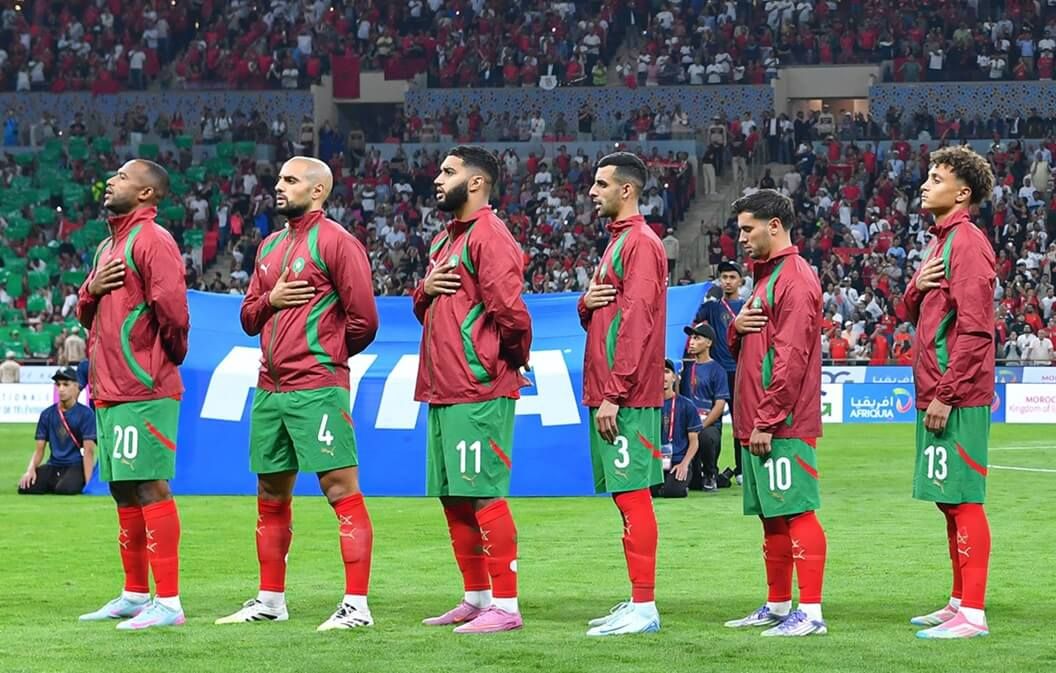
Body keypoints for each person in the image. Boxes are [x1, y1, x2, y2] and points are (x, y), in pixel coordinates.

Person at [217, 157, 379, 631]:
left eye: (290, 180)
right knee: (270, 492)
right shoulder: (268, 245)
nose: (279, 185)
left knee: (340, 490)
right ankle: (270, 600)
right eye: (280, 178)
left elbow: (365, 320)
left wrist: (323, 355)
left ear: (318, 191)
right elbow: (248, 318)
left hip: (317, 388)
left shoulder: (338, 243)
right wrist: (272, 300)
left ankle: (357, 607)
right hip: (269, 388)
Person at [412, 146, 532, 634]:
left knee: (482, 494)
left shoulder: (489, 236)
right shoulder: (446, 240)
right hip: (443, 386)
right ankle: (477, 596)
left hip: (477, 386)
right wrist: (425, 289)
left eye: (448, 171)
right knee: (454, 496)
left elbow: (511, 314)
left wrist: (502, 363)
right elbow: (427, 306)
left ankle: (506, 604)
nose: (437, 179)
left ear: (477, 182)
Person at [76, 159, 190, 630]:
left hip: (143, 386)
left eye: (123, 176)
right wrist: (90, 287)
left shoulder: (152, 239)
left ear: (148, 194)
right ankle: (134, 593)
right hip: (109, 386)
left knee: (149, 486)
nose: (111, 180)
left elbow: (173, 313)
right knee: (123, 490)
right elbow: (88, 311)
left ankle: (169, 602)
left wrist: (160, 362)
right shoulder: (109, 244)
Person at [724, 189, 828, 637]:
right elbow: (752, 346)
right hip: (758, 420)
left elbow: (791, 357)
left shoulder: (796, 278)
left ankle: (812, 613)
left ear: (774, 225)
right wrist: (733, 327)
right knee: (772, 516)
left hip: (782, 423)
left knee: (798, 511)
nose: (740, 238)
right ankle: (779, 604)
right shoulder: (767, 279)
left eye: (747, 229)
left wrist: (767, 419)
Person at [903, 146, 996, 639]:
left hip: (956, 395)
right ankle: (959, 601)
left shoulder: (967, 244)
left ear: (962, 193)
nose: (924, 184)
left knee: (964, 501)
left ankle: (973, 616)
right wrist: (918, 285)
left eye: (935, 178)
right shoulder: (940, 244)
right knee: (947, 501)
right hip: (937, 389)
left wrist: (947, 393)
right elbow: (910, 310)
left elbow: (978, 331)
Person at [579, 152, 667, 636]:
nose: (593, 192)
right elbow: (605, 312)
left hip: (626, 395)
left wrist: (615, 392)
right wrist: (583, 303)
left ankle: (646, 606)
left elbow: (637, 321)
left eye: (600, 183)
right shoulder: (618, 243)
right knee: (624, 496)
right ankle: (637, 598)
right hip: (612, 390)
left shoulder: (640, 244)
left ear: (626, 190)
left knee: (634, 496)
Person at [694, 261, 745, 481]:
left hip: (741, 371)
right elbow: (693, 316)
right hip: (716, 370)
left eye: (732, 277)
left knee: (741, 421)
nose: (727, 281)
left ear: (740, 281)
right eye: (724, 277)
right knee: (712, 421)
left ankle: (742, 468)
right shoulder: (713, 307)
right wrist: (704, 293)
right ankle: (710, 470)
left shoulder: (747, 307)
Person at [18, 367, 96, 495]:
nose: (61, 389)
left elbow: (89, 451)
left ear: (76, 387)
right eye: (58, 384)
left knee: (65, 489)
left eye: (66, 384)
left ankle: (67, 481)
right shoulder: (47, 414)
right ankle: (57, 482)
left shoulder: (86, 414)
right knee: (25, 488)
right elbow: (39, 450)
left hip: (75, 464)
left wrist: (89, 485)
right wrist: (30, 470)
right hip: (54, 464)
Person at [680, 322, 729, 491]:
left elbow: (720, 404)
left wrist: (701, 426)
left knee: (707, 437)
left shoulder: (718, 370)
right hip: (686, 424)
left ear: (708, 343)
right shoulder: (684, 368)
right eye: (690, 338)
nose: (691, 342)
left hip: (707, 425)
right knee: (693, 484)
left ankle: (710, 474)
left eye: (696, 338)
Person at [653, 359, 702, 498]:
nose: (663, 376)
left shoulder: (687, 405)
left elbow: (694, 441)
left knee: (673, 491)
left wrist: (685, 464)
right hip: (654, 462)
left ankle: (683, 483)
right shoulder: (648, 407)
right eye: (658, 372)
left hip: (678, 461)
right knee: (649, 492)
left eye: (667, 372)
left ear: (674, 377)